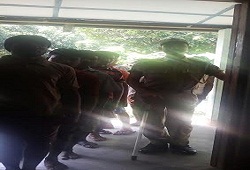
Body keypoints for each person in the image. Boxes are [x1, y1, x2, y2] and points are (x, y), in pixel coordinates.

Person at [127, 38, 225, 155]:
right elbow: (131, 79)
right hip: (153, 96)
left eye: (180, 45)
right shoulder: (146, 63)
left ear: (187, 48)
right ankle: (157, 143)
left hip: (182, 96)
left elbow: (223, 75)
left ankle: (179, 144)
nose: (175, 48)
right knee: (151, 121)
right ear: (161, 48)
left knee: (182, 122)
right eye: (170, 45)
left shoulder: (201, 64)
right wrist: (144, 92)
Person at [0, 35, 80, 170]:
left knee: (40, 146)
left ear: (45, 49)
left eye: (40, 44)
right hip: (6, 116)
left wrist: (75, 114)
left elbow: (71, 94)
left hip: (44, 117)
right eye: (24, 43)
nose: (33, 46)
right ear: (11, 48)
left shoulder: (63, 69)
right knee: (7, 147)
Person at [94, 51, 135, 135]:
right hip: (98, 97)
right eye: (104, 59)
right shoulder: (92, 71)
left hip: (115, 97)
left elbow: (121, 85)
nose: (107, 61)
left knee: (119, 111)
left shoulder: (116, 72)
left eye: (110, 59)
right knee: (97, 114)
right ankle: (94, 132)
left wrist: (118, 100)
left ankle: (126, 128)